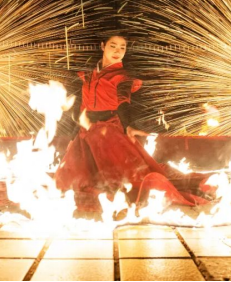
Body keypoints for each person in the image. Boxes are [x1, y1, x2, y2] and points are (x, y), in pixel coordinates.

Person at [55, 34, 214, 216]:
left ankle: (121, 205)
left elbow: (123, 102)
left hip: (108, 132)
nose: (118, 51)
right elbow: (82, 107)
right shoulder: (88, 75)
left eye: (122, 47)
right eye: (113, 46)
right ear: (102, 46)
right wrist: (75, 134)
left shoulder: (122, 77)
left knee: (122, 178)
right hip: (86, 131)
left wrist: (128, 125)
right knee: (71, 179)